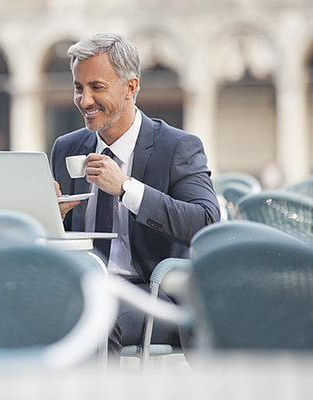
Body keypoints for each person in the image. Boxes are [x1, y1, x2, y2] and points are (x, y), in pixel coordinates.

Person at [50, 32, 220, 358]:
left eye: (96, 87)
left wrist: (126, 188)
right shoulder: (67, 148)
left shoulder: (177, 147)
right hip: (77, 285)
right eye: (78, 88)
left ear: (130, 87)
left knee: (96, 317)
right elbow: (60, 238)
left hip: (150, 293)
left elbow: (206, 222)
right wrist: (50, 215)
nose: (84, 100)